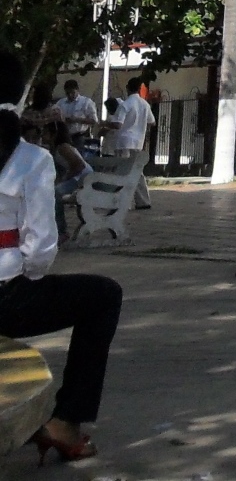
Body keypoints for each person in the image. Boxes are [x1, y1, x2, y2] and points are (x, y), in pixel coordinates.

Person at [0, 50, 125, 463]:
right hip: (7, 296)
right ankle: (65, 422)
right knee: (102, 295)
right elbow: (39, 251)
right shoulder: (31, 159)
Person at [43, 123, 90, 244]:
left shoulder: (63, 147)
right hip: (76, 178)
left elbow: (79, 165)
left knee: (55, 194)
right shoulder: (55, 148)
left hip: (83, 178)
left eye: (46, 132)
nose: (43, 135)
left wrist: (65, 178)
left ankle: (61, 231)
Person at [111, 79, 154, 210]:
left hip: (124, 141)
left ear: (127, 87)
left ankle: (123, 202)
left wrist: (104, 124)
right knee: (137, 171)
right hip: (138, 142)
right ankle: (143, 201)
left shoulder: (125, 104)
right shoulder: (145, 104)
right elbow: (152, 122)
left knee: (123, 172)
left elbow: (118, 124)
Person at [52, 82, 99, 159]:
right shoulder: (61, 103)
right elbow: (53, 114)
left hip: (78, 136)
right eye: (68, 93)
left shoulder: (86, 102)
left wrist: (76, 119)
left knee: (78, 158)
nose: (70, 95)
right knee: (62, 159)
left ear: (77, 90)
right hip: (63, 136)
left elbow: (94, 120)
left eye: (72, 93)